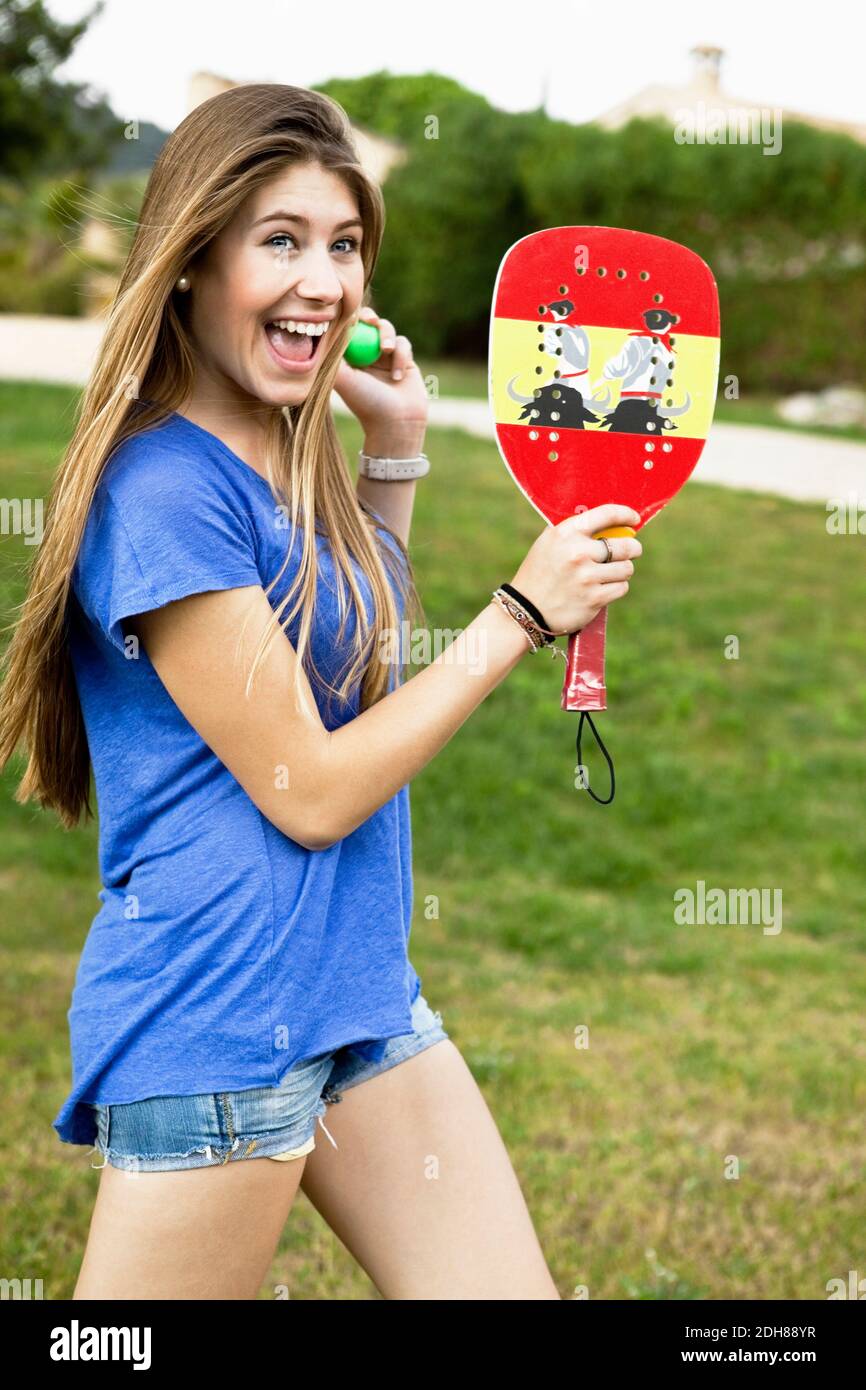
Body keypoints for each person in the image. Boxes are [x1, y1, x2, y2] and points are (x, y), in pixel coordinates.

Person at [0, 84, 642, 1300]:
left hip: (354, 995)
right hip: (224, 1016)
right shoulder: (164, 495)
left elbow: (349, 689)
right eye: (279, 241)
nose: (323, 280)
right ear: (192, 263)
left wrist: (390, 456)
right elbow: (310, 789)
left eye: (343, 245)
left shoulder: (278, 457)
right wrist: (517, 615)